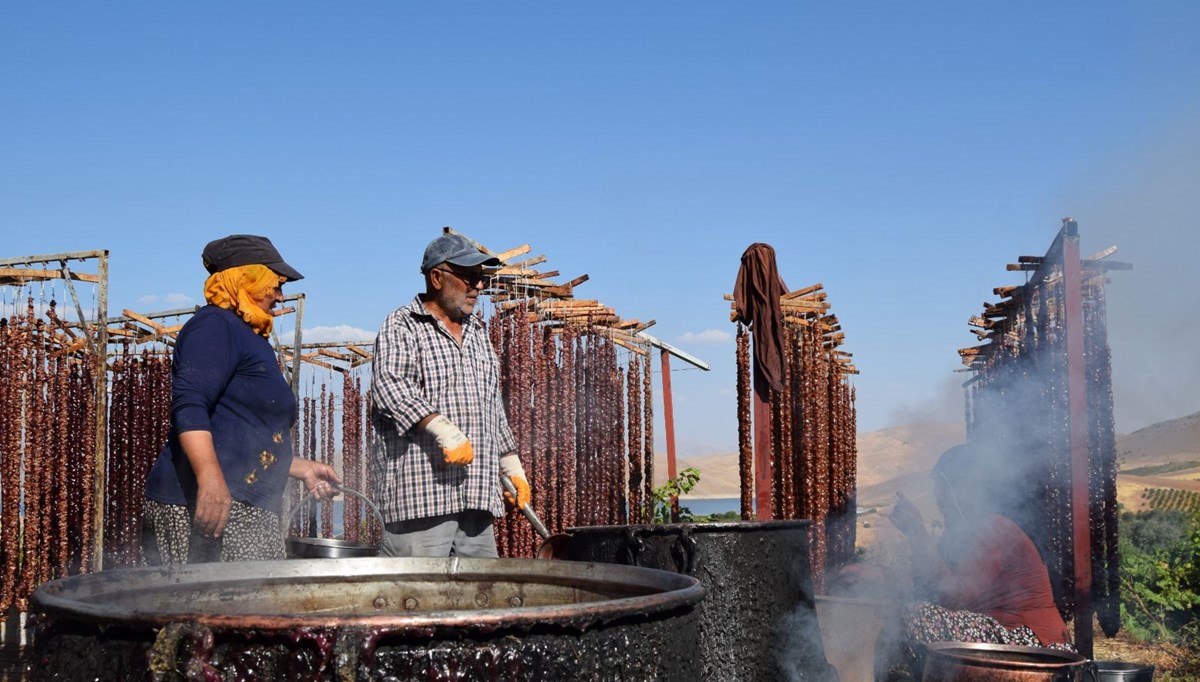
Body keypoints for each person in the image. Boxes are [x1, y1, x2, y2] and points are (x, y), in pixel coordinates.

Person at [142, 234, 342, 564]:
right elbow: (189, 404)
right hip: (205, 504)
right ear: (245, 278)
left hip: (246, 506)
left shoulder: (248, 335)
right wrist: (209, 479)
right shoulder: (214, 326)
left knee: (253, 611)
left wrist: (300, 468)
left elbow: (238, 433)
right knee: (205, 611)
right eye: (274, 284)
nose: (280, 295)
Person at [369, 232, 530, 558]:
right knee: (418, 600)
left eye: (481, 278)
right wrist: (441, 428)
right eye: (469, 277)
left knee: (482, 598)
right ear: (437, 277)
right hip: (423, 500)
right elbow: (390, 385)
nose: (478, 287)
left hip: (477, 499)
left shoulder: (477, 332)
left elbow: (491, 403)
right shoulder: (403, 325)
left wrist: (510, 462)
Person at [888, 444, 1073, 664]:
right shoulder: (961, 533)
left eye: (942, 487)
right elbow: (930, 586)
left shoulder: (994, 529)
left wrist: (918, 534)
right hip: (999, 632)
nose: (937, 496)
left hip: (1031, 640)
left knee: (918, 616)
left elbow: (954, 596)